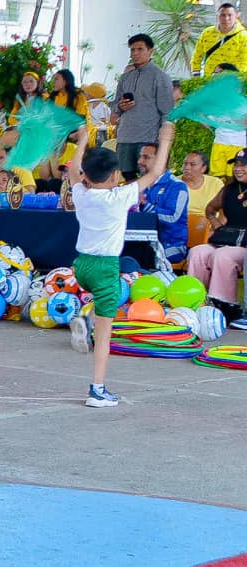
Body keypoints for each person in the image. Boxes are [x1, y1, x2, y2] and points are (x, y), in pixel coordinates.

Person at [66, 122, 176, 407]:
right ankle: (98, 389)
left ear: (87, 175)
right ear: (116, 175)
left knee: (102, 305)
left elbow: (73, 170)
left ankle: (85, 318)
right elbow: (155, 173)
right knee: (104, 334)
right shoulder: (119, 197)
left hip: (81, 266)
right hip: (105, 268)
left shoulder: (82, 193)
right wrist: (165, 139)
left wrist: (83, 140)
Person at [186, 150, 247, 329]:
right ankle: (195, 301)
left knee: (223, 255)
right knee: (198, 252)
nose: (238, 169)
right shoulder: (228, 189)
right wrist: (215, 224)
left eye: (243, 165)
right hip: (226, 238)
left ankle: (225, 305)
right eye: (236, 165)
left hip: (243, 244)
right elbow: (210, 208)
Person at [114, 33, 173, 181]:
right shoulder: (125, 77)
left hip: (148, 138)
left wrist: (162, 138)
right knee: (127, 177)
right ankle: (132, 205)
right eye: (132, 50)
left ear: (150, 51)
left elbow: (167, 111)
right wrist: (121, 106)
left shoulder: (160, 77)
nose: (135, 53)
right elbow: (115, 106)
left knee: (147, 177)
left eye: (140, 49)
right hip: (125, 136)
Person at [137, 143, 189, 266]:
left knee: (146, 257)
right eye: (140, 157)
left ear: (162, 160)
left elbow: (173, 218)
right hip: (144, 241)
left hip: (172, 245)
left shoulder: (177, 186)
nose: (140, 161)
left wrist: (145, 205)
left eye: (146, 157)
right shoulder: (141, 184)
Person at [191, 2, 247, 78]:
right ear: (218, 16)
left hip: (231, 81)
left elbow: (244, 63)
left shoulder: (243, 36)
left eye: (230, 15)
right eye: (223, 15)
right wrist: (196, 74)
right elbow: (197, 55)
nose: (226, 18)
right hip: (208, 80)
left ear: (236, 16)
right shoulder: (207, 33)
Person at [181, 150, 222, 241]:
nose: (187, 167)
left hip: (210, 232)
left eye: (192, 164)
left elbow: (224, 212)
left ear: (203, 168)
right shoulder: (174, 183)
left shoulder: (215, 183)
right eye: (185, 164)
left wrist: (215, 232)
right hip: (180, 231)